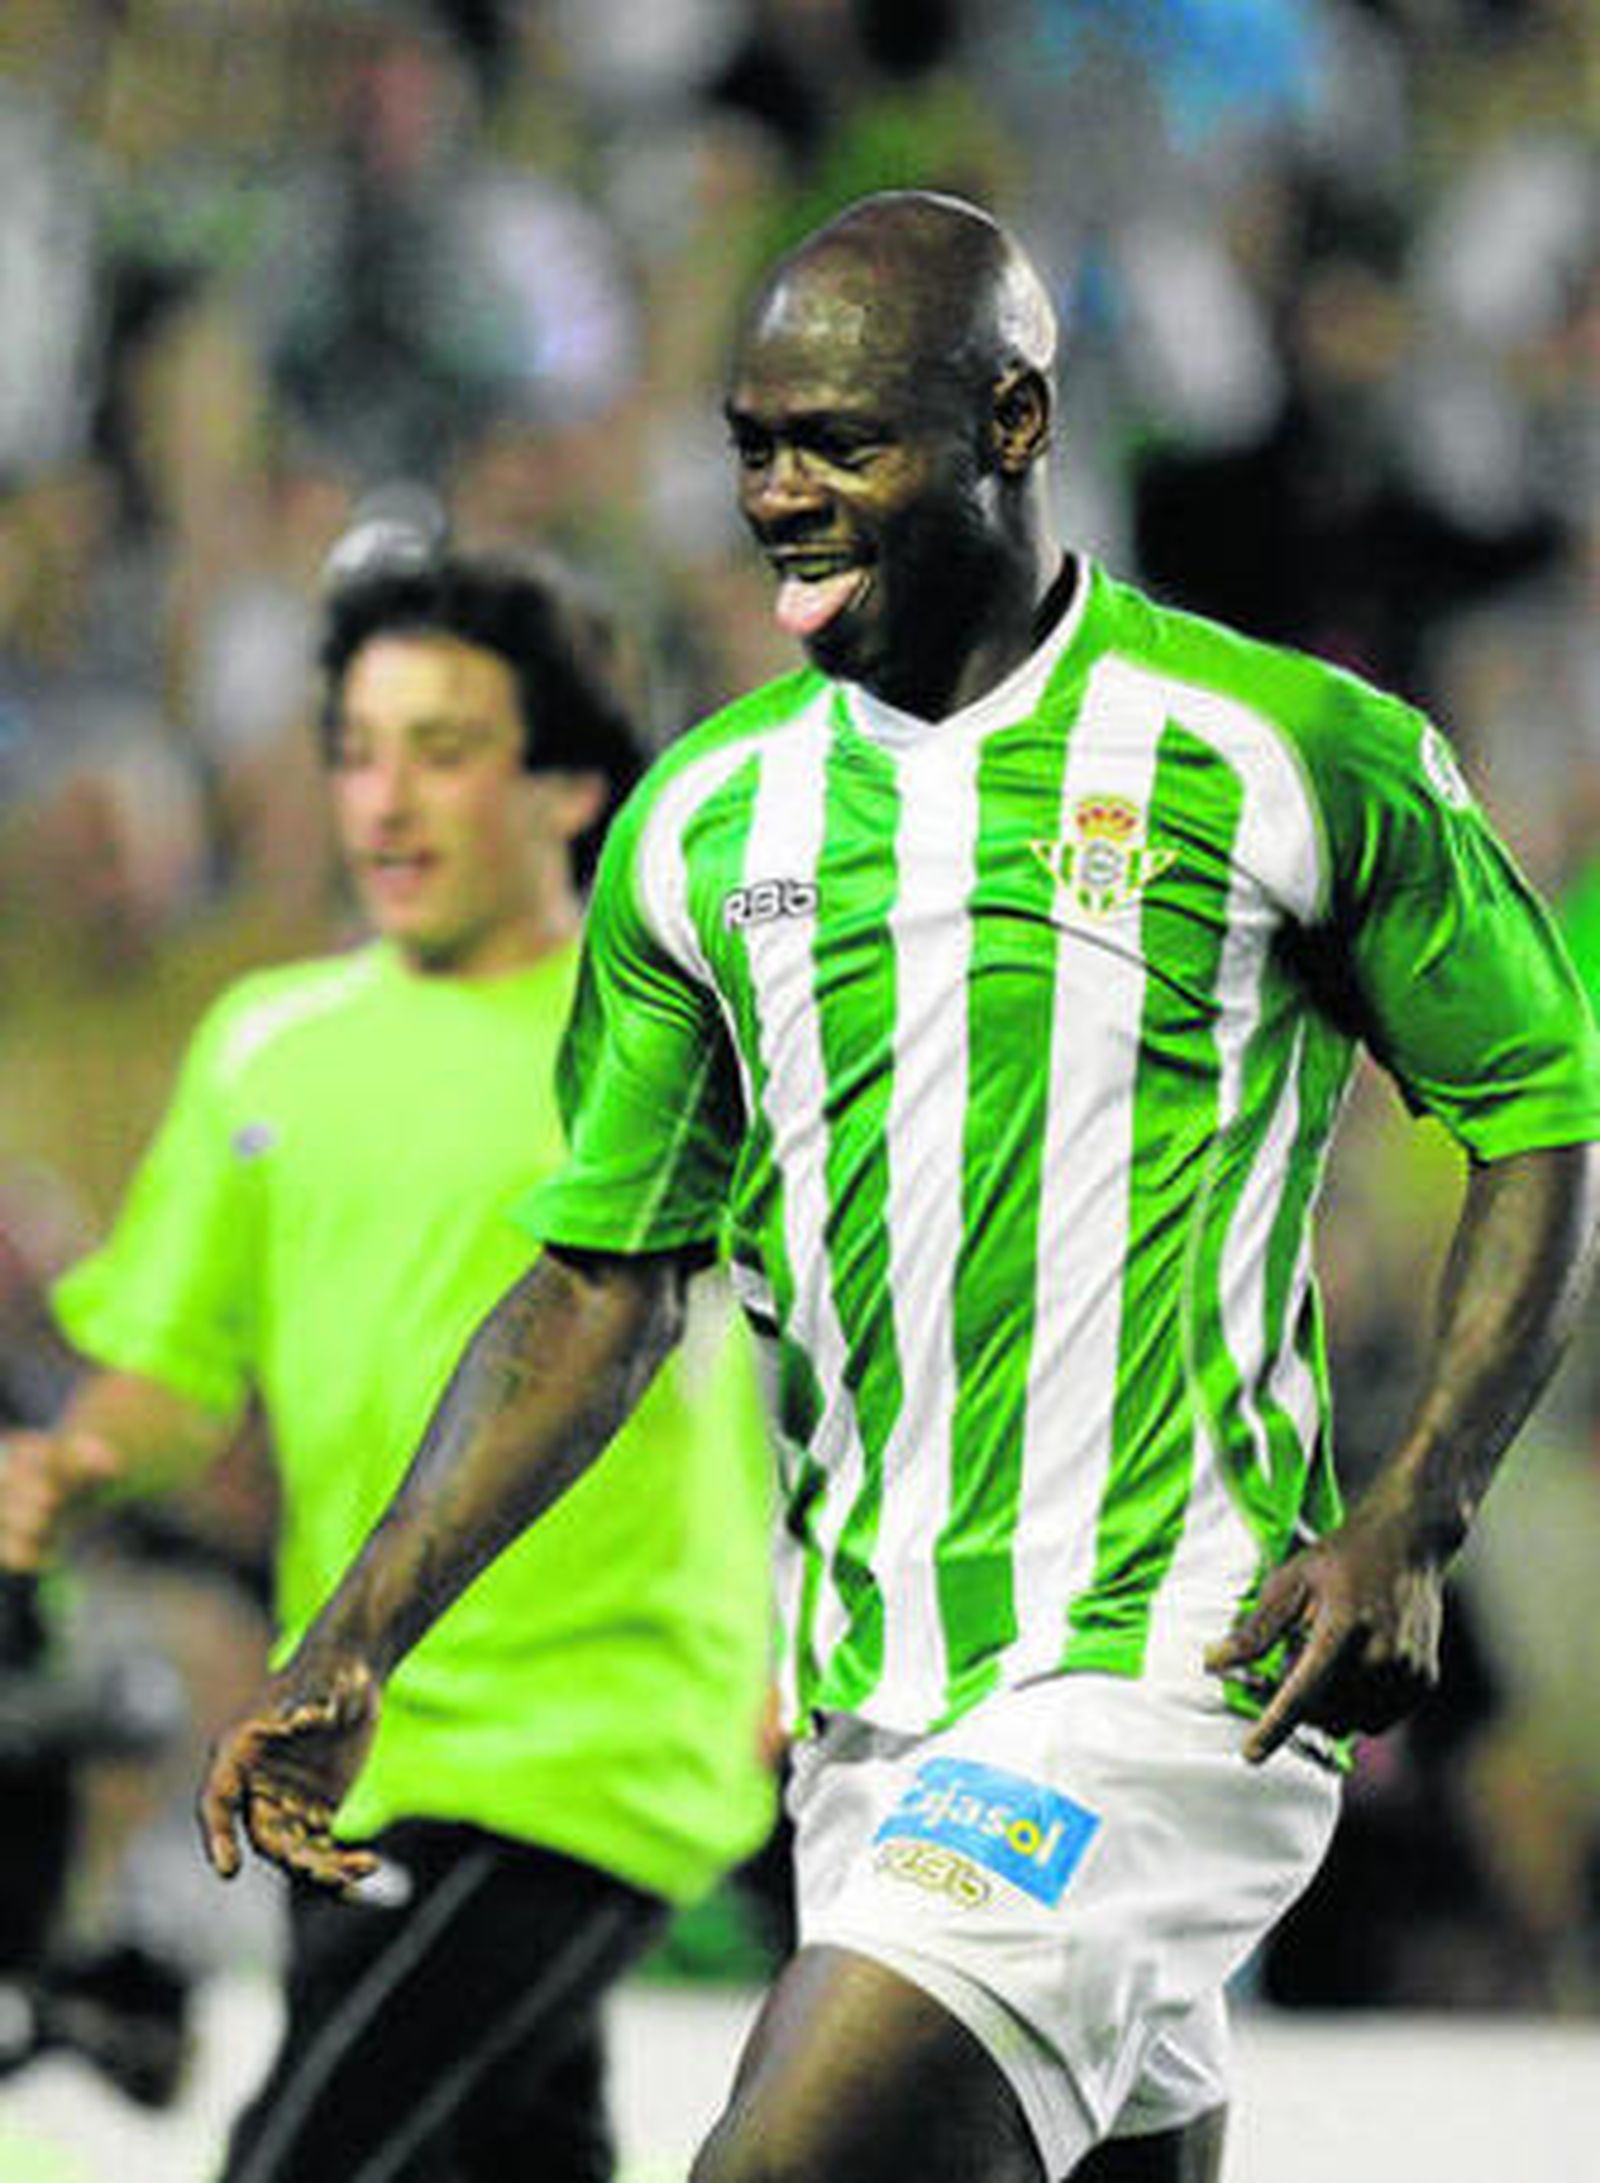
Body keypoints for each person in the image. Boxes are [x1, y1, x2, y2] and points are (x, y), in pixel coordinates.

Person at [193, 192, 1600, 2183]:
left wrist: (1415, 1510)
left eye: (839, 443)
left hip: (1160, 1662)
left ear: (1012, 424)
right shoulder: (705, 825)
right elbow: (602, 1283)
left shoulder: (1278, 749)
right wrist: (358, 1634)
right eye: (754, 445)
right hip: (871, 1710)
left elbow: (1536, 1109)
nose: (780, 495)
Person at [0, 538, 777, 2181]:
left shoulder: (671, 1035)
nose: (386, 802)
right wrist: (64, 1469)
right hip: (343, 1732)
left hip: (602, 1731)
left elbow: (844, 1336)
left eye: (443, 750)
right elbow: (176, 1371)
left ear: (570, 787)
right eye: (356, 753)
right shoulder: (267, 1044)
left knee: (304, 2162)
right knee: (498, 2152)